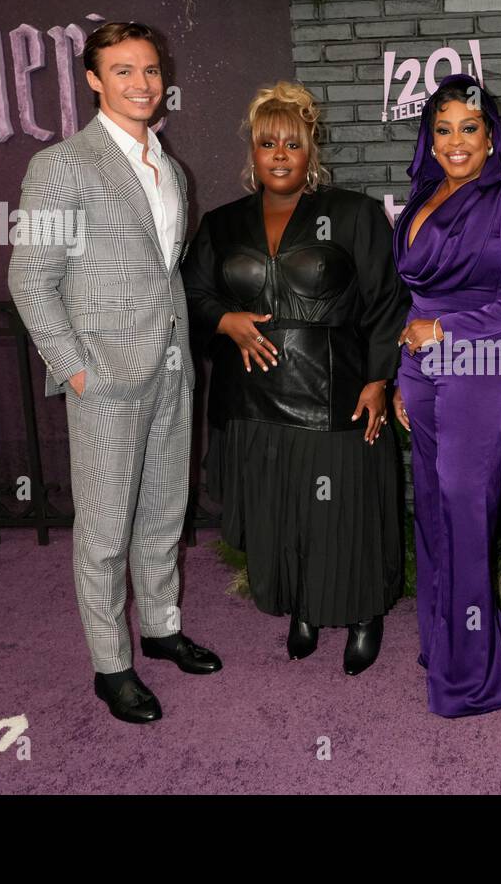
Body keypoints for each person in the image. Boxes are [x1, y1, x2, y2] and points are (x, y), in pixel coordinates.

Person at [9, 21, 221, 726]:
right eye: (123, 70)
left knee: (164, 513)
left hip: (170, 366)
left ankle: (160, 628)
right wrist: (74, 371)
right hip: (102, 378)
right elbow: (29, 281)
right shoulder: (60, 165)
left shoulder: (173, 169)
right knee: (103, 533)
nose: (142, 83)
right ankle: (111, 666)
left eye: (152, 70)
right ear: (94, 81)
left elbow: (164, 276)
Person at [182, 81, 408, 675]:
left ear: (311, 152)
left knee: (342, 512)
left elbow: (387, 303)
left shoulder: (355, 214)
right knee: (284, 514)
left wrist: (379, 379)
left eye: (292, 143)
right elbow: (192, 294)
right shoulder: (221, 223)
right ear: (251, 153)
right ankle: (304, 606)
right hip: (254, 404)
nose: (279, 154)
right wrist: (225, 319)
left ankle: (363, 613)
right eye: (267, 143)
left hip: (336, 396)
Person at [391, 73, 501, 717]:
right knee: (431, 509)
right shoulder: (424, 193)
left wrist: (445, 329)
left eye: (470, 128)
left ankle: (473, 677)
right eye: (443, 129)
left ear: (492, 136)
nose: (456, 142)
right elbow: (409, 295)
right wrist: (403, 368)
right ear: (429, 139)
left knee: (463, 510)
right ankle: (450, 643)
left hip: (482, 361)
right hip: (421, 366)